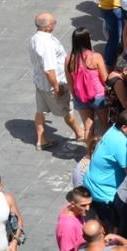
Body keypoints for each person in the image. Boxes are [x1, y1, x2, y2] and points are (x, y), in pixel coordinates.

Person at [29, 12, 84, 150]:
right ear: (47, 27)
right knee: (67, 110)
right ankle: (79, 133)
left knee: (40, 110)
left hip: (40, 82)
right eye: (53, 22)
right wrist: (57, 87)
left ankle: (41, 140)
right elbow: (49, 69)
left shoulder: (35, 38)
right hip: (53, 84)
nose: (55, 23)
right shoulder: (47, 44)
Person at [83, 110, 127, 229]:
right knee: (116, 227)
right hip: (105, 195)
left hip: (92, 185)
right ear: (124, 127)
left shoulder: (113, 129)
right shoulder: (122, 144)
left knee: (101, 219)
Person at [65, 26, 109, 143]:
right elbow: (105, 78)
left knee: (88, 126)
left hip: (80, 96)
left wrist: (75, 96)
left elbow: (70, 82)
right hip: (98, 96)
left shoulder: (69, 59)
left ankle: (89, 153)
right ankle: (105, 150)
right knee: (104, 124)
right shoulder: (96, 57)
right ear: (87, 40)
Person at [55, 186, 92, 251]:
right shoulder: (67, 226)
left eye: (89, 204)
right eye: (83, 205)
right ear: (72, 204)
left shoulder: (73, 209)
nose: (88, 208)